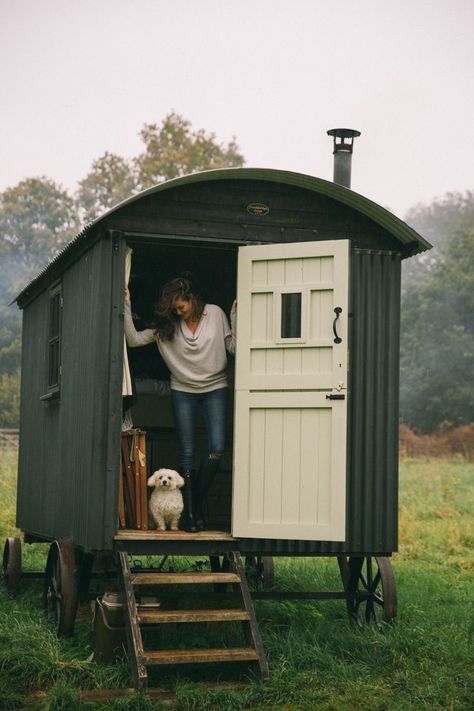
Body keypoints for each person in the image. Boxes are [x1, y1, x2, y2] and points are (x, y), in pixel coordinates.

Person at [124, 275, 236, 532]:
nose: (178, 312)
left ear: (192, 299)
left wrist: (236, 315)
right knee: (186, 453)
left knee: (216, 449)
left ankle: (193, 494)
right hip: (182, 390)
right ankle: (192, 516)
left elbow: (232, 347)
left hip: (215, 387)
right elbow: (134, 340)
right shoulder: (168, 326)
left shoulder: (215, 314)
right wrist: (126, 304)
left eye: (180, 307)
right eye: (174, 309)